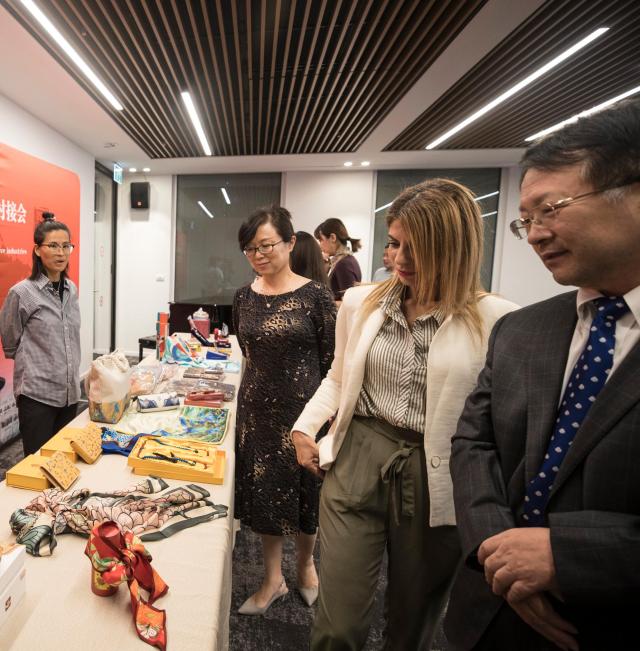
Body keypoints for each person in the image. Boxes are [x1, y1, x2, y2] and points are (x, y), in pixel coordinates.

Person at [444, 98, 640, 651]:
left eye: (551, 209)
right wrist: (498, 549)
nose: (534, 235)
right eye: (525, 220)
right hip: (488, 608)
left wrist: (565, 555)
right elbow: (473, 443)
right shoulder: (523, 329)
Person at [291, 179, 518, 650]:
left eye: (419, 249)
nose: (400, 259)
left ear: (454, 249)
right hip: (357, 454)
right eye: (394, 243)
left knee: (411, 623)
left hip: (438, 472)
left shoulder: (498, 320)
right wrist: (304, 428)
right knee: (338, 624)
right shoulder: (361, 302)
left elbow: (500, 420)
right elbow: (338, 377)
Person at [232, 205, 336, 615]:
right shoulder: (243, 297)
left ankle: (307, 566)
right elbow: (248, 352)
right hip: (257, 413)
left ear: (291, 243)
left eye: (266, 245)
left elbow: (332, 361)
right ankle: (273, 579)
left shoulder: (316, 296)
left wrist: (326, 420)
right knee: (266, 497)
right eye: (250, 248)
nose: (258, 255)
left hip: (305, 414)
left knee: (307, 495)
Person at [0, 214, 81, 455]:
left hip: (69, 393)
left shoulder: (71, 289)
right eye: (53, 245)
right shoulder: (22, 293)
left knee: (64, 460)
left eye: (66, 246)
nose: (61, 253)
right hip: (37, 395)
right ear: (37, 250)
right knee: (38, 464)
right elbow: (10, 340)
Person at [314, 218, 362, 301]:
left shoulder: (344, 263)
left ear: (333, 237)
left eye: (321, 240)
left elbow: (350, 303)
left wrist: (324, 305)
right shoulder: (344, 260)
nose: (319, 245)